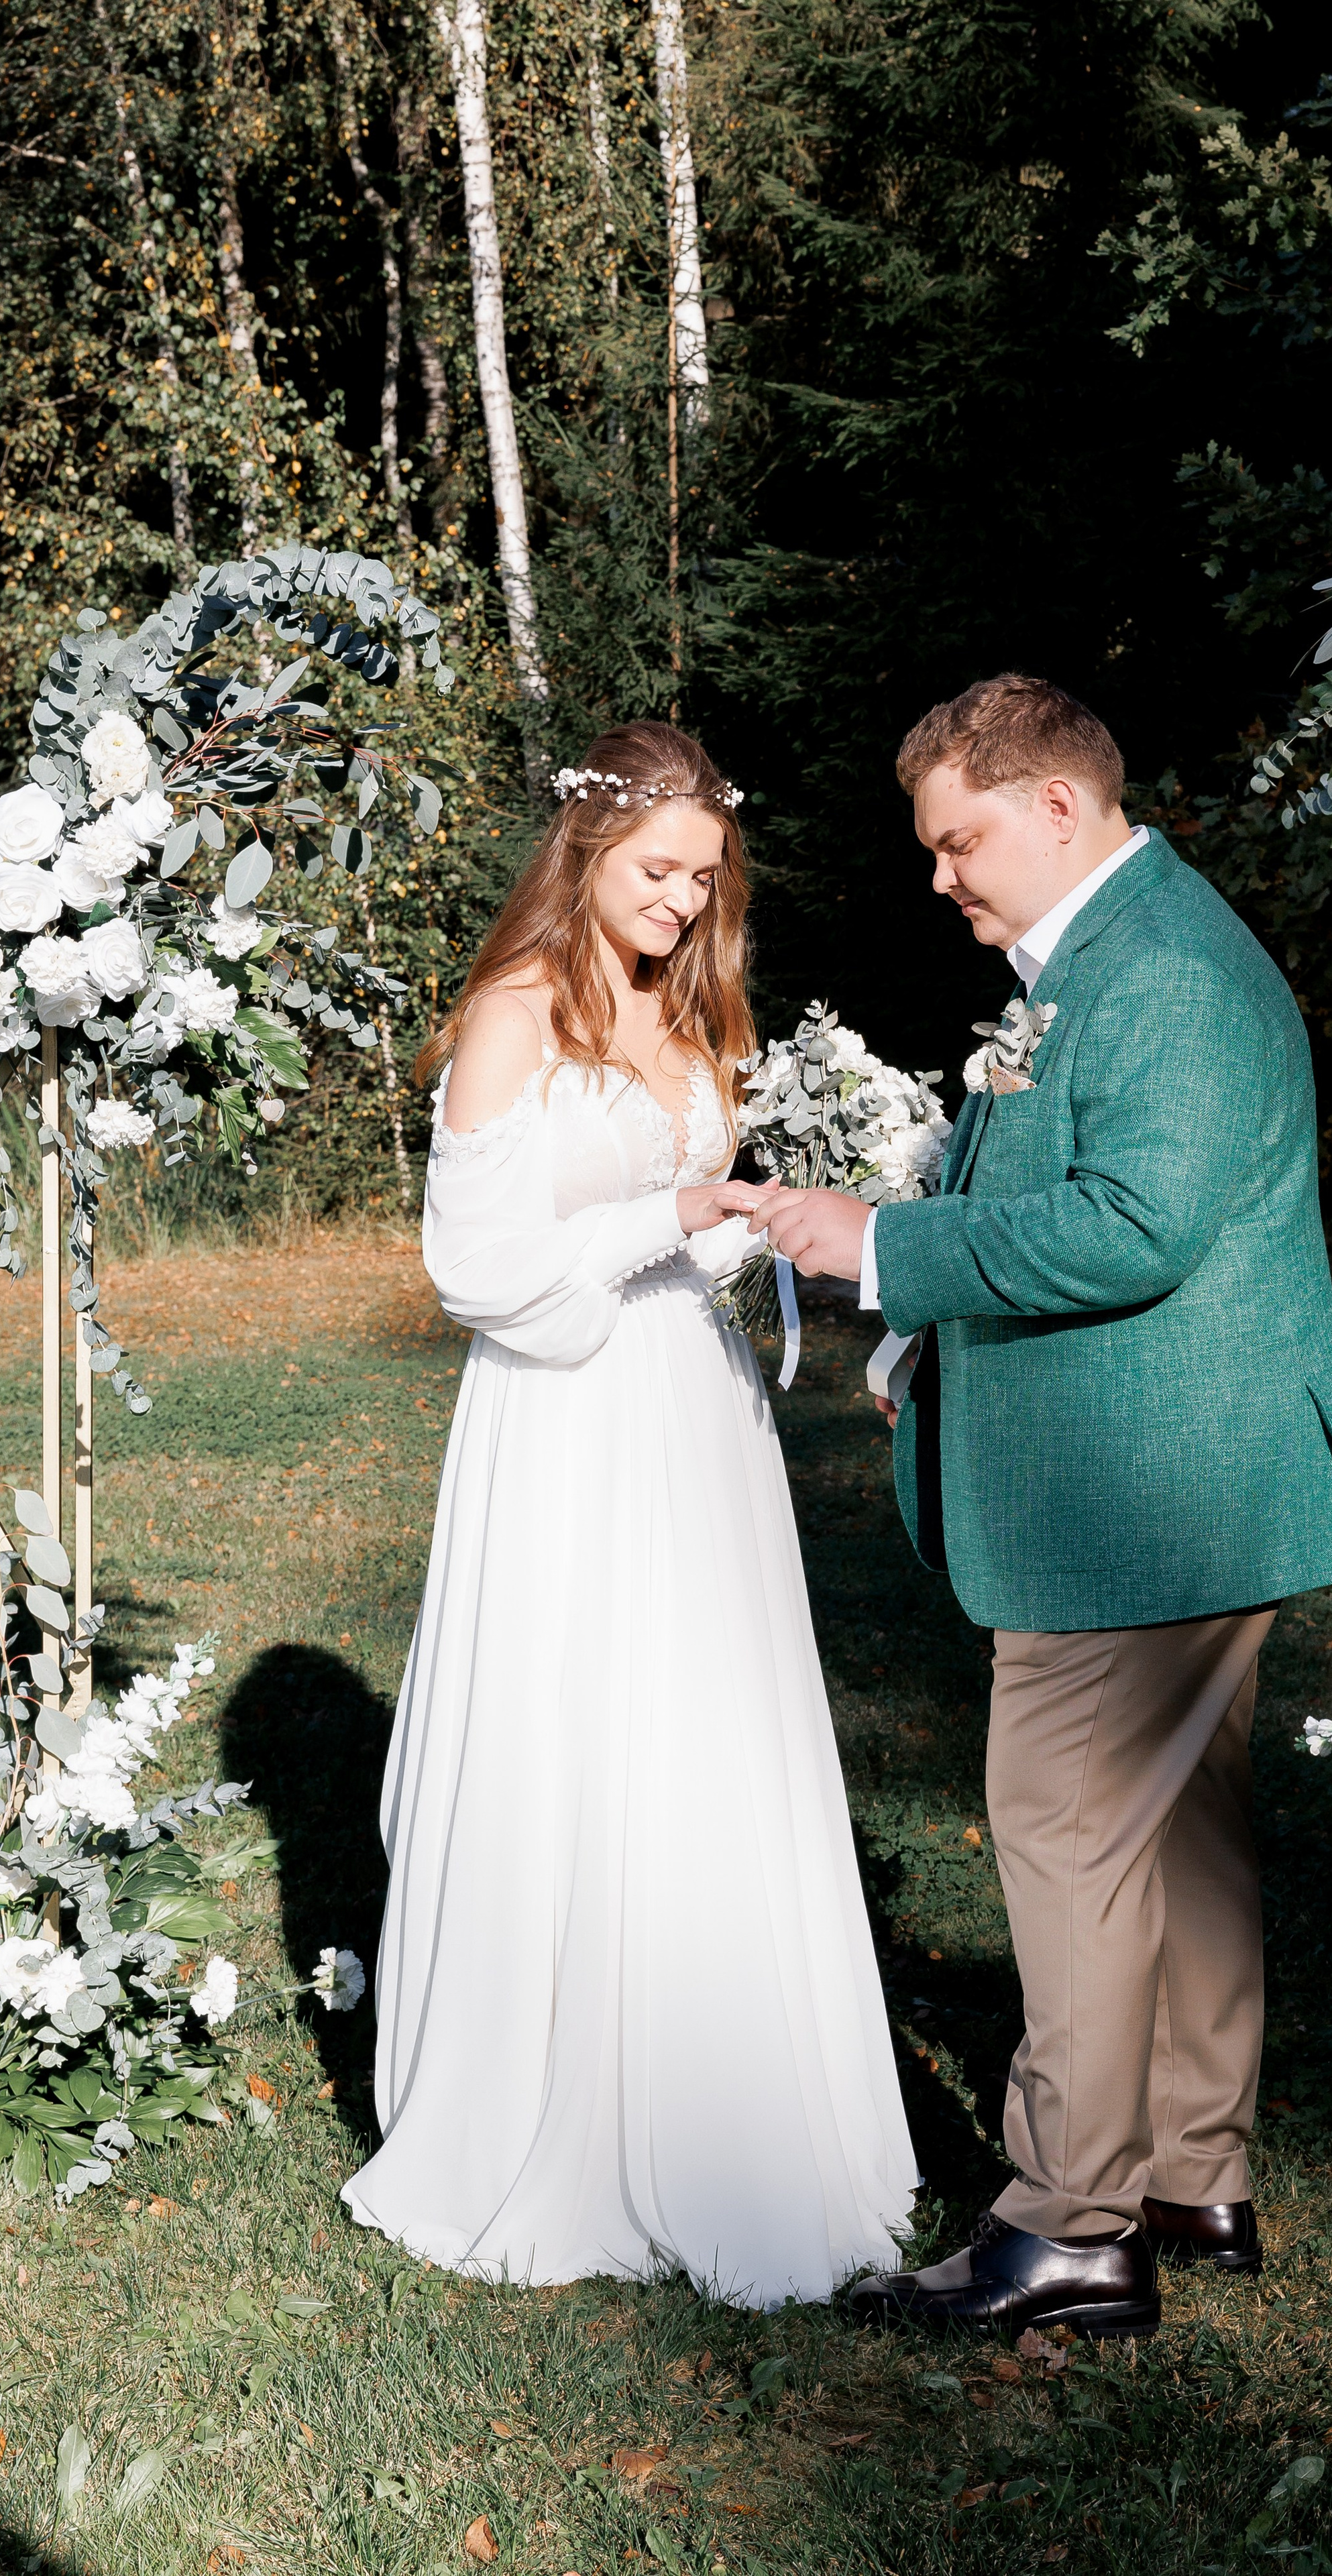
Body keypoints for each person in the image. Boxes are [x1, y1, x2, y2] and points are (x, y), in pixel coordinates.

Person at [752, 674, 1332, 2340]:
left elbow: (1130, 1227)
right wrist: (928, 1334)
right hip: (1181, 1474)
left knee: (1063, 1835)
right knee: (1176, 1837)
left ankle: (1069, 2222)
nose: (939, 877)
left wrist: (871, 1247)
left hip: (1147, 1500)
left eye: (958, 841)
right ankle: (1191, 2167)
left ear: (1053, 808)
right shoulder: (1107, 957)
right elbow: (1053, 1191)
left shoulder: (1162, 972)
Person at [341, 722, 916, 2307]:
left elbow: (685, 1224)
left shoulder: (690, 1007)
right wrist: (659, 1219)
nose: (677, 902)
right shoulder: (510, 1014)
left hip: (693, 1408)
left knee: (703, 1721)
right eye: (656, 871)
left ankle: (735, 2104)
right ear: (583, 852)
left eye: (701, 879)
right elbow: (475, 1274)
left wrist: (752, 1229)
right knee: (579, 1716)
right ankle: (553, 2116)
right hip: (565, 1413)